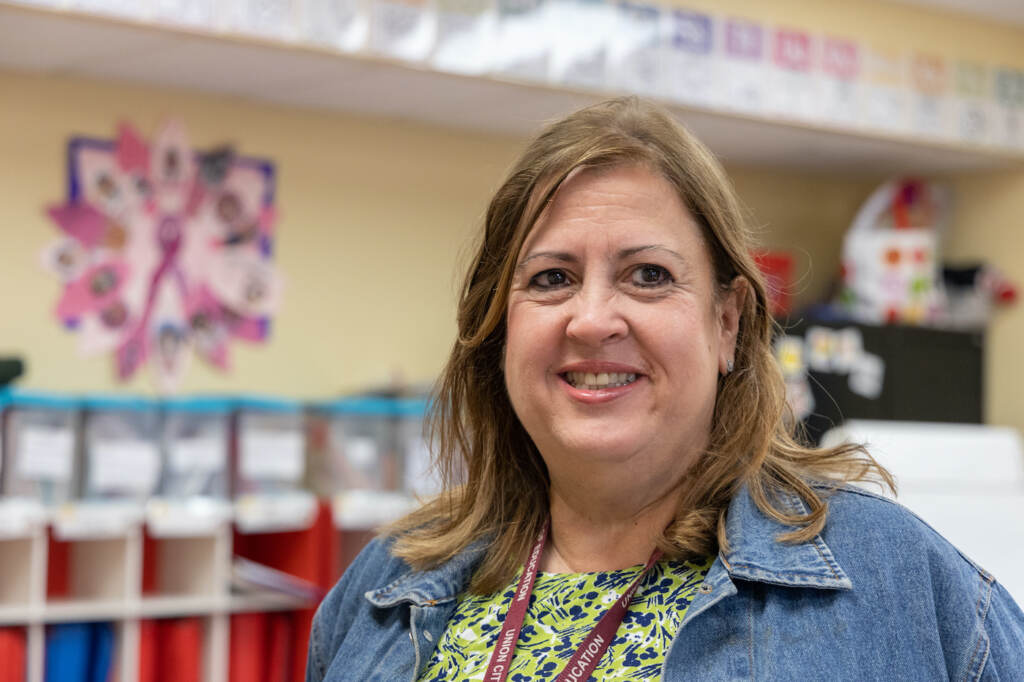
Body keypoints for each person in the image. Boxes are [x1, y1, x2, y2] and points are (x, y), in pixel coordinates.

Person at [307, 97, 1024, 681]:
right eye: (551, 278)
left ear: (727, 323)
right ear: (499, 332)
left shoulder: (894, 580)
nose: (592, 320)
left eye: (648, 275)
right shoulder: (385, 585)